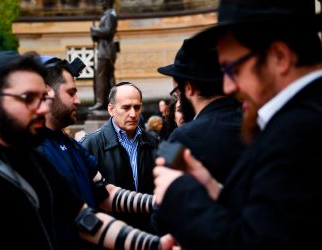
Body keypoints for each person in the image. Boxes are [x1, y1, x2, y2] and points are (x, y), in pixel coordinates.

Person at [0, 50, 174, 250]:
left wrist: (155, 244)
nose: (43, 108)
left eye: (43, 98)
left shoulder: (32, 160)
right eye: (29, 98)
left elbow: (84, 218)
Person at [153, 0, 322, 249]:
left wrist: (179, 192)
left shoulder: (301, 128)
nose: (229, 87)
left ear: (279, 57)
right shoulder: (296, 118)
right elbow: (273, 222)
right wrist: (211, 189)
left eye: (233, 69)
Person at [38, 56, 163, 249]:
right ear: (47, 92)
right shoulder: (30, 151)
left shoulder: (73, 146)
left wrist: (159, 204)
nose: (78, 101)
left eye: (136, 107)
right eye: (71, 93)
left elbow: (106, 194)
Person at [157, 38, 245, 184]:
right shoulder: (253, 124)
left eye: (177, 94)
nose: (177, 101)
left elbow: (167, 201)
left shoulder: (184, 137)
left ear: (189, 88)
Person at [80, 82, 158, 230]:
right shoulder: (90, 145)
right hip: (110, 233)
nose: (133, 114)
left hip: (148, 233)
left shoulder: (153, 143)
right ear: (111, 109)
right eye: (126, 107)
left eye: (137, 107)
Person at [88, 0, 118, 111]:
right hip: (104, 49)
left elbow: (108, 31)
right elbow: (103, 34)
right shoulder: (107, 14)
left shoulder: (110, 14)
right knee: (107, 77)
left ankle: (100, 101)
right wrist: (95, 34)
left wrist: (95, 30)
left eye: (103, 1)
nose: (101, 3)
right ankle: (109, 100)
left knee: (101, 76)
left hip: (106, 51)